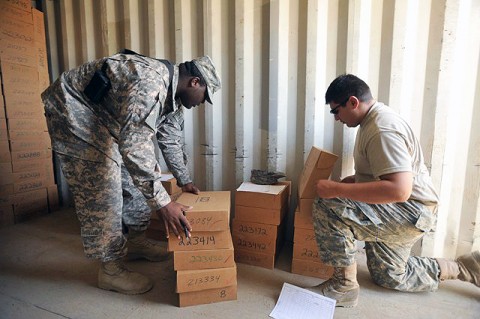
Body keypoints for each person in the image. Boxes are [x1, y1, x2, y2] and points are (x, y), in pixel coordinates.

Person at [41, 51, 221, 295]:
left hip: (105, 120)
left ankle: (136, 241)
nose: (202, 102)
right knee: (103, 186)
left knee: (137, 177)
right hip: (73, 111)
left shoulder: (173, 99)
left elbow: (170, 140)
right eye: (204, 96)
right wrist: (162, 203)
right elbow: (135, 146)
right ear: (195, 82)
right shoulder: (151, 83)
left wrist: (185, 180)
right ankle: (110, 270)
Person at [310, 74, 480, 307]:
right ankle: (464, 268)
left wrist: (337, 189)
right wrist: (352, 182)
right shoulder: (372, 120)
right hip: (406, 210)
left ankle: (343, 286)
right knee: (390, 276)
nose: (336, 118)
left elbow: (399, 190)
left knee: (328, 205)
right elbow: (382, 175)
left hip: (410, 211)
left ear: (353, 102)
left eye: (336, 111)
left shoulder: (381, 128)